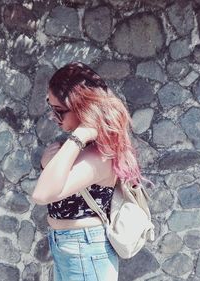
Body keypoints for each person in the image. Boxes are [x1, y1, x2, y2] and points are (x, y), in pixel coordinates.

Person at [32, 62, 147, 280]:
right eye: (51, 107)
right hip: (70, 246)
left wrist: (81, 134)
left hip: (84, 248)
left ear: (81, 107)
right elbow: (56, 185)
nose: (53, 117)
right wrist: (45, 163)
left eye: (59, 111)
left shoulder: (99, 154)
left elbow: (41, 194)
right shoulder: (82, 149)